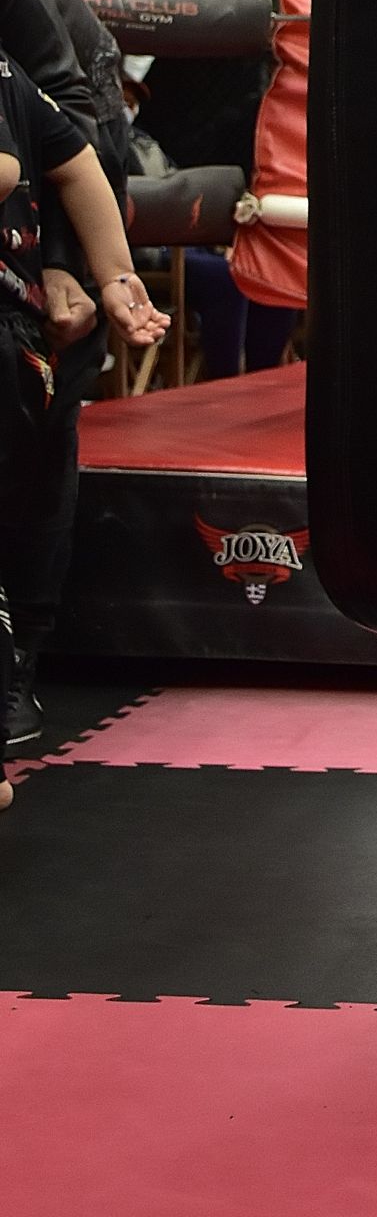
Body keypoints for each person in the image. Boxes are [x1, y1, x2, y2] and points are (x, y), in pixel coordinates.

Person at [0, 46, 167, 801]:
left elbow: (26, 163)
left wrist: (114, 274)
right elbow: (72, 162)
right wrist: (116, 273)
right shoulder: (11, 68)